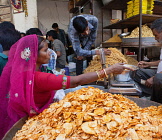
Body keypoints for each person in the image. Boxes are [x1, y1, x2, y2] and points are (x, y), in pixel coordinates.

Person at [0, 35, 132, 138]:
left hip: (17, 117)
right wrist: (108, 71)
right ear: (34, 54)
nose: (50, 54)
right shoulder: (39, 78)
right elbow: (76, 81)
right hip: (33, 122)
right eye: (46, 51)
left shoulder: (23, 74)